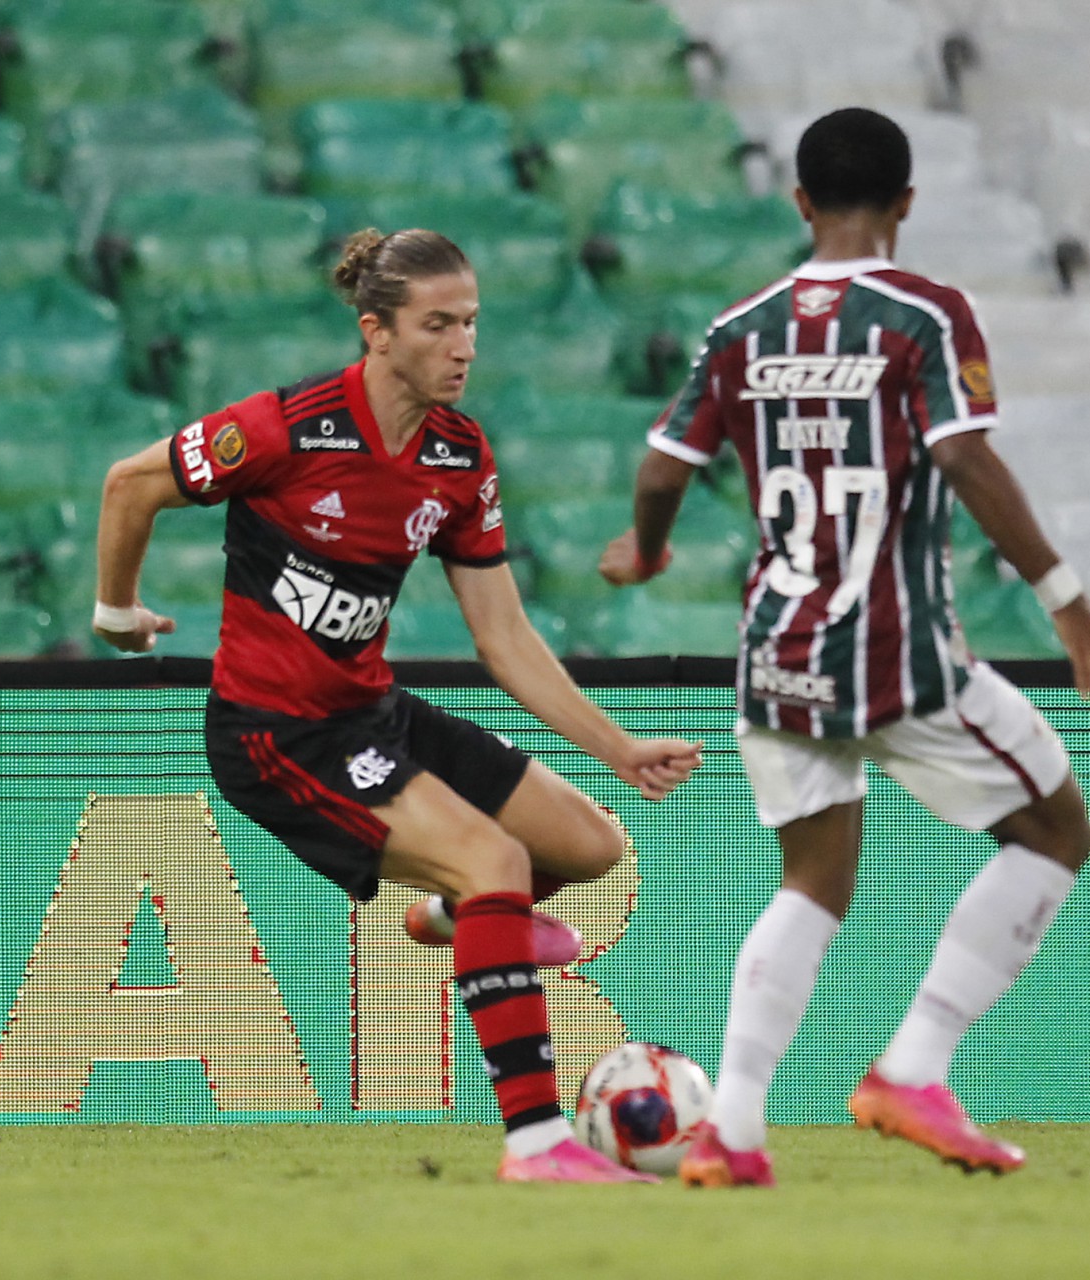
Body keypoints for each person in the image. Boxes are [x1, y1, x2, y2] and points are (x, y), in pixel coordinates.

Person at [599, 107, 1090, 1187]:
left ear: (800, 202)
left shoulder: (738, 328)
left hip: (774, 651)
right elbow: (969, 459)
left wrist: (648, 549)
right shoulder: (924, 313)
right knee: (1057, 830)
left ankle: (735, 1133)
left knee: (812, 878)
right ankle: (913, 1064)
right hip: (894, 651)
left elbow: (663, 467)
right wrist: (1065, 596)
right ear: (906, 203)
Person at [95, 227, 701, 1184]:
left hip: (372, 711)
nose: (464, 346)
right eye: (438, 325)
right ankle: (538, 1144)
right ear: (376, 332)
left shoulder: (459, 457)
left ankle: (456, 917)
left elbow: (502, 635)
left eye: (471, 323)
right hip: (276, 733)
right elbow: (130, 483)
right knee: (495, 859)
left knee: (590, 846)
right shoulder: (284, 428)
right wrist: (116, 610)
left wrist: (616, 746)